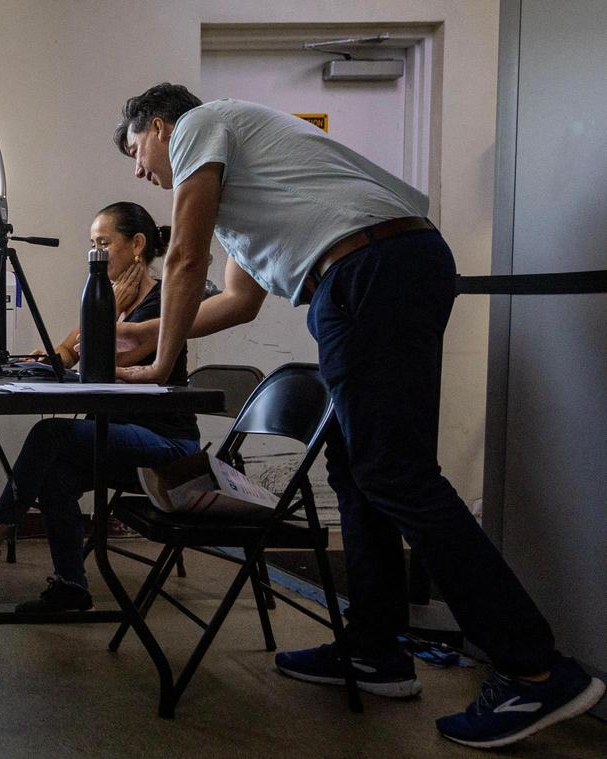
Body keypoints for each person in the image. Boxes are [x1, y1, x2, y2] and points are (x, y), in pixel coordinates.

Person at [110, 83, 603, 749]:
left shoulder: (201, 123)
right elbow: (237, 301)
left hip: (366, 271)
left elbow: (182, 259)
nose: (139, 168)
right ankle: (375, 649)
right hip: (381, 268)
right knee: (358, 464)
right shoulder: (241, 191)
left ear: (163, 125)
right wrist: (146, 336)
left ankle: (535, 666)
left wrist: (161, 357)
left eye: (136, 149)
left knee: (396, 472)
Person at [0, 202, 200, 613]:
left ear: (137, 246)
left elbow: (98, 360)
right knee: (55, 473)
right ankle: (70, 587)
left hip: (165, 447)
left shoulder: (163, 303)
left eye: (103, 243)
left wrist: (108, 311)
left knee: (50, 434)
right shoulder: (110, 295)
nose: (94, 253)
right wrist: (39, 361)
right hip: (114, 440)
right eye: (91, 244)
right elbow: (67, 351)